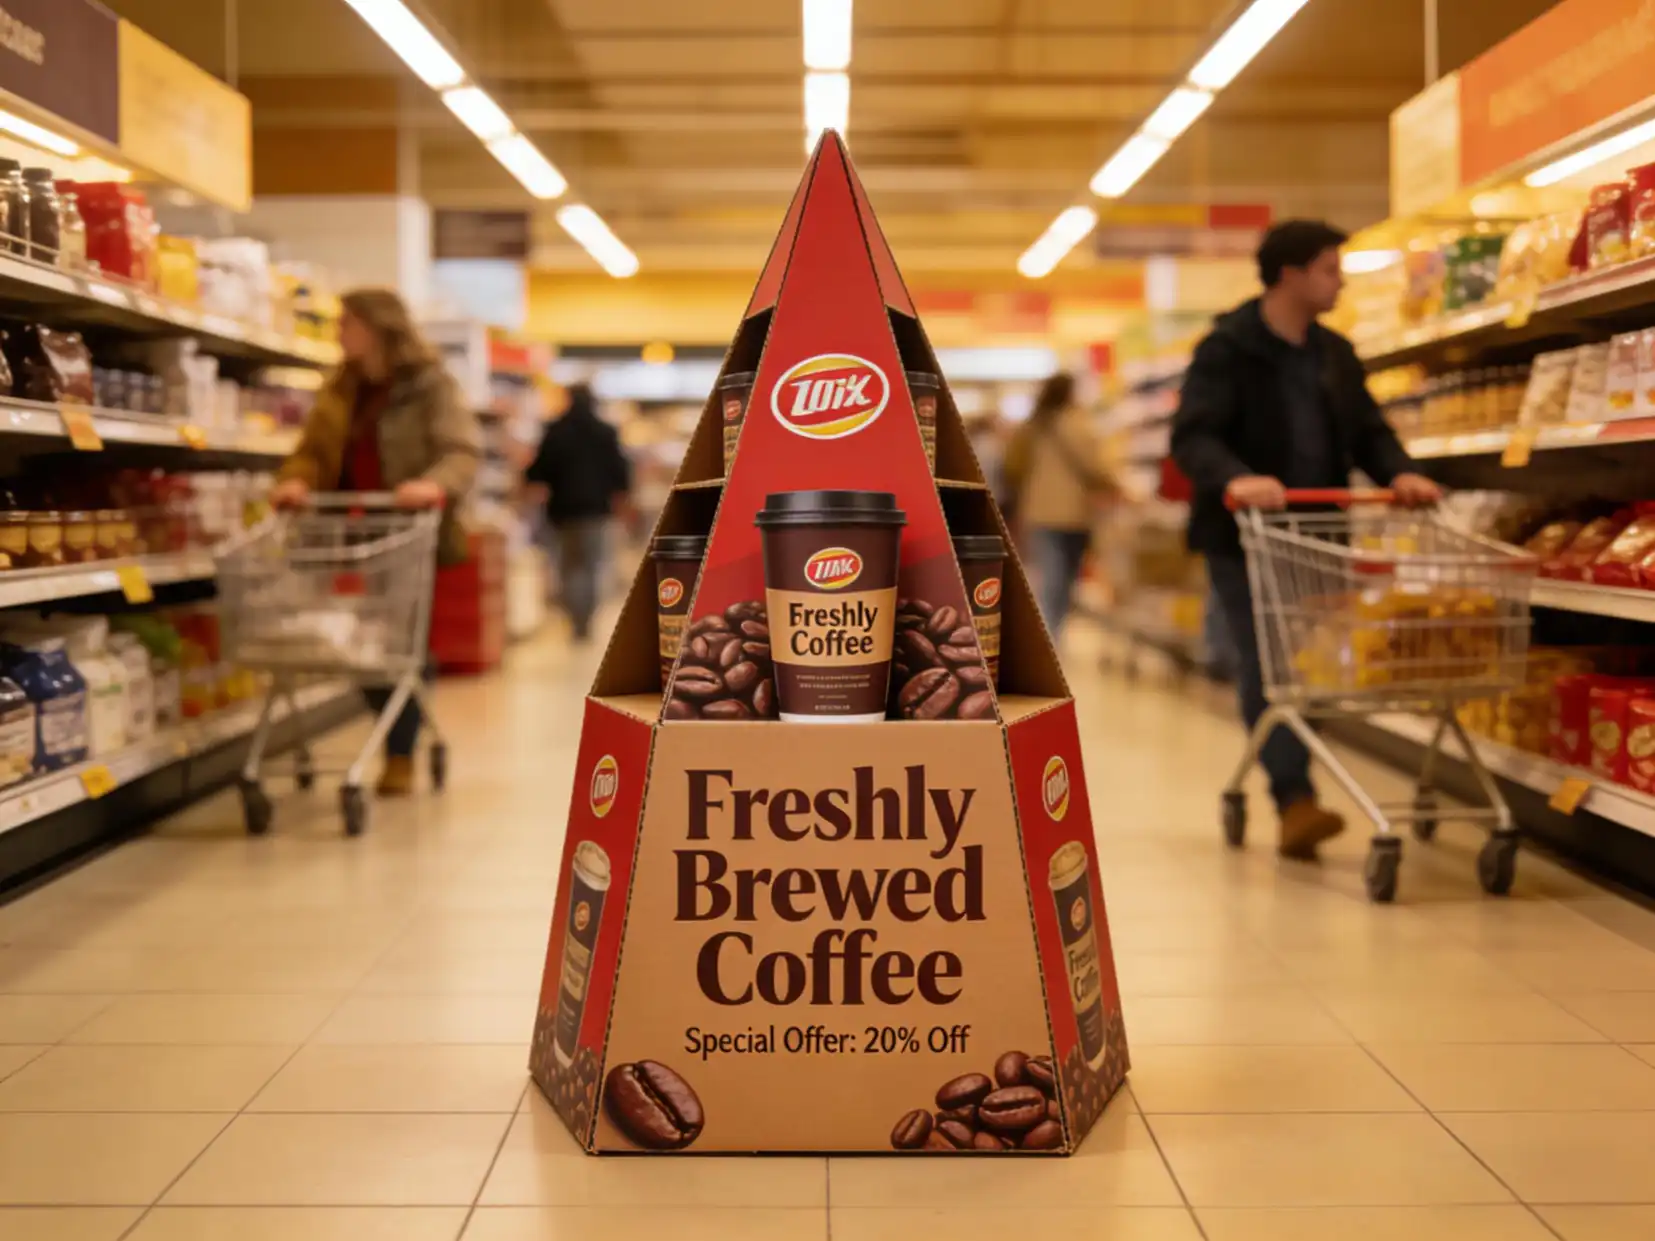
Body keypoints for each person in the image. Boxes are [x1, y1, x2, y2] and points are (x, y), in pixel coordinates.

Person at [1171, 219, 1442, 860]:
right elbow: (1193, 437)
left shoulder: (1335, 354)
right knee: (1267, 666)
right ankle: (1294, 799)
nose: (1340, 279)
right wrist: (1238, 478)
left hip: (1318, 535)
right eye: (1328, 267)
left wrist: (1401, 472)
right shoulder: (1227, 348)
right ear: (1290, 273)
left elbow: (1368, 432)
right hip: (1244, 535)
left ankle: (1291, 782)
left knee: (1315, 671)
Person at [271, 288, 480, 798]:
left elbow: (461, 451)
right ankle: (395, 736)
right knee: (359, 646)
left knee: (403, 644)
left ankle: (400, 753)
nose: (339, 331)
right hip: (345, 533)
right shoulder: (340, 388)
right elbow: (312, 452)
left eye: (348, 322)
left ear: (378, 327)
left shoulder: (430, 385)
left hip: (406, 534)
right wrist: (297, 480)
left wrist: (433, 485)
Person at [523, 383, 632, 641]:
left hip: (562, 511)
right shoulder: (606, 432)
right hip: (596, 510)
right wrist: (622, 499)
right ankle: (585, 620)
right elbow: (620, 471)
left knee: (568, 567)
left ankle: (574, 619)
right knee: (592, 566)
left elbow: (538, 470)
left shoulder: (555, 430)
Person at [1008, 372, 1116, 631]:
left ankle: (1049, 629)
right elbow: (1094, 466)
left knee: (1049, 572)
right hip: (1073, 511)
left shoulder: (1031, 427)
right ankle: (1053, 628)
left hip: (1038, 511)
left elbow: (1013, 465)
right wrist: (1114, 487)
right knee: (1065, 575)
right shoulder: (1076, 423)